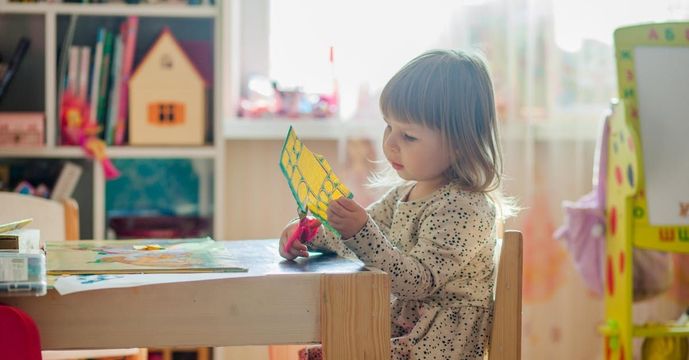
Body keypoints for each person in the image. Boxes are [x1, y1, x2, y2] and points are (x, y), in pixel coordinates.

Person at [280, 49, 513, 360]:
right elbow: (359, 241)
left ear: (461, 142)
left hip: (436, 345)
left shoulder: (466, 207)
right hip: (405, 331)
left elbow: (418, 281)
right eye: (389, 126)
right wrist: (310, 234)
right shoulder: (405, 193)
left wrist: (360, 232)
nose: (389, 142)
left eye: (409, 136)